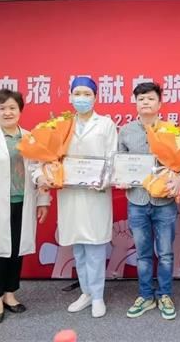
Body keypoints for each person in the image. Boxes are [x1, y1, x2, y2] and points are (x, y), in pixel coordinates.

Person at [0, 89, 50, 325]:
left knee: (16, 251)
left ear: (20, 110)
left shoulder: (31, 138)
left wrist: (43, 201)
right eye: (2, 108)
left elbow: (39, 170)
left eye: (12, 107)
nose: (7, 112)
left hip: (23, 202)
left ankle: (9, 294)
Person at [41, 77, 117, 318]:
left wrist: (102, 180)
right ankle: (85, 292)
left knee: (95, 247)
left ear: (95, 97)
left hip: (95, 194)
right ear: (70, 96)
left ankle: (98, 296)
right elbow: (51, 156)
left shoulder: (106, 124)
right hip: (71, 194)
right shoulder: (62, 125)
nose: (82, 98)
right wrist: (51, 172)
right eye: (78, 93)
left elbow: (113, 158)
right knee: (79, 248)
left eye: (87, 94)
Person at [117, 82, 180, 321]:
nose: (145, 102)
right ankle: (145, 296)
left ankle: (165, 295)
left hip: (164, 202)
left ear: (160, 103)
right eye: (141, 99)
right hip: (137, 200)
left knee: (165, 254)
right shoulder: (126, 131)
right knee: (143, 254)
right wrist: (121, 177)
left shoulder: (172, 131)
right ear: (136, 103)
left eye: (150, 98)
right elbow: (120, 163)